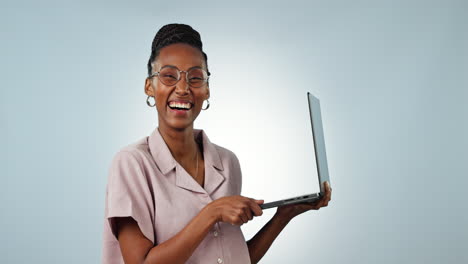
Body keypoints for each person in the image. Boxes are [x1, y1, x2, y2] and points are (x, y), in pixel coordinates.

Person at [101, 23, 332, 264]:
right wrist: (211, 213)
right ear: (150, 86)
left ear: (207, 89)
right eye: (169, 76)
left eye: (195, 78)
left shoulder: (227, 162)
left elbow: (232, 257)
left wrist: (283, 216)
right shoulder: (132, 164)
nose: (182, 88)